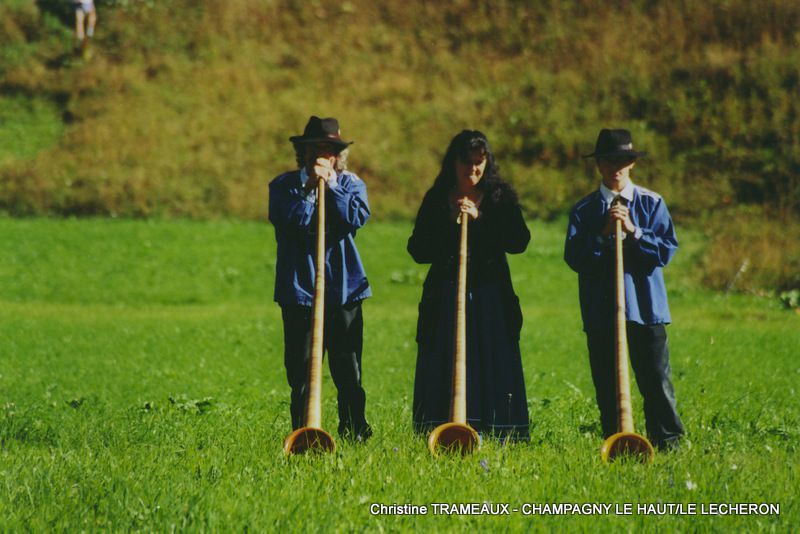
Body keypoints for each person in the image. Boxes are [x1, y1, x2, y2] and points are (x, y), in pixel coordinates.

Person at [564, 128, 685, 451]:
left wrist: (633, 231)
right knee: (608, 384)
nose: (615, 166)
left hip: (645, 309)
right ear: (598, 165)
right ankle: (617, 442)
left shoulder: (652, 203)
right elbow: (576, 259)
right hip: (602, 313)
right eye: (608, 160)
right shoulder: (584, 210)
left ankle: (668, 442)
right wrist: (603, 234)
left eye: (623, 160)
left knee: (656, 381)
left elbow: (664, 252)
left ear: (632, 163)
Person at [408, 130, 531, 441]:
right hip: (446, 293)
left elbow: (519, 242)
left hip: (491, 295)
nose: (472, 170)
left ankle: (499, 429)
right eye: (466, 163)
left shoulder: (501, 196)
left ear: (487, 163)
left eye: (479, 163)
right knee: (444, 358)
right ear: (453, 162)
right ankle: (442, 428)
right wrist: (449, 220)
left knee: (492, 357)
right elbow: (418, 250)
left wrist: (481, 218)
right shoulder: (437, 198)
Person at [268, 116, 373, 441]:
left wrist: (334, 187)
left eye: (329, 149)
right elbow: (291, 222)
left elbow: (355, 218)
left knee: (348, 369)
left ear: (337, 155)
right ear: (304, 151)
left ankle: (354, 429)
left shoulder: (352, 184)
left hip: (344, 290)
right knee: (299, 371)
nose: (322, 155)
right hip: (300, 291)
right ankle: (302, 433)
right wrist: (311, 190)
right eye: (316, 148)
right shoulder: (284, 186)